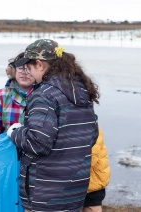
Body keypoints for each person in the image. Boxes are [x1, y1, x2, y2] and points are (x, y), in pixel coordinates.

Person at [7, 39, 100, 211]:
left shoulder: (44, 95)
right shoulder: (82, 90)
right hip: (75, 190)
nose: (30, 74)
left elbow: (38, 143)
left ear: (40, 64)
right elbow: (92, 136)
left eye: (30, 68)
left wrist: (15, 132)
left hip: (46, 194)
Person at [0, 52, 35, 135]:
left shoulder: (45, 96)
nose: (24, 72)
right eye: (20, 68)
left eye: (29, 68)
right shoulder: (1, 96)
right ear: (13, 71)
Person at [83, 127, 111, 212]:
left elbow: (91, 157)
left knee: (92, 208)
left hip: (93, 179)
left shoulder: (89, 124)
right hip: (79, 177)